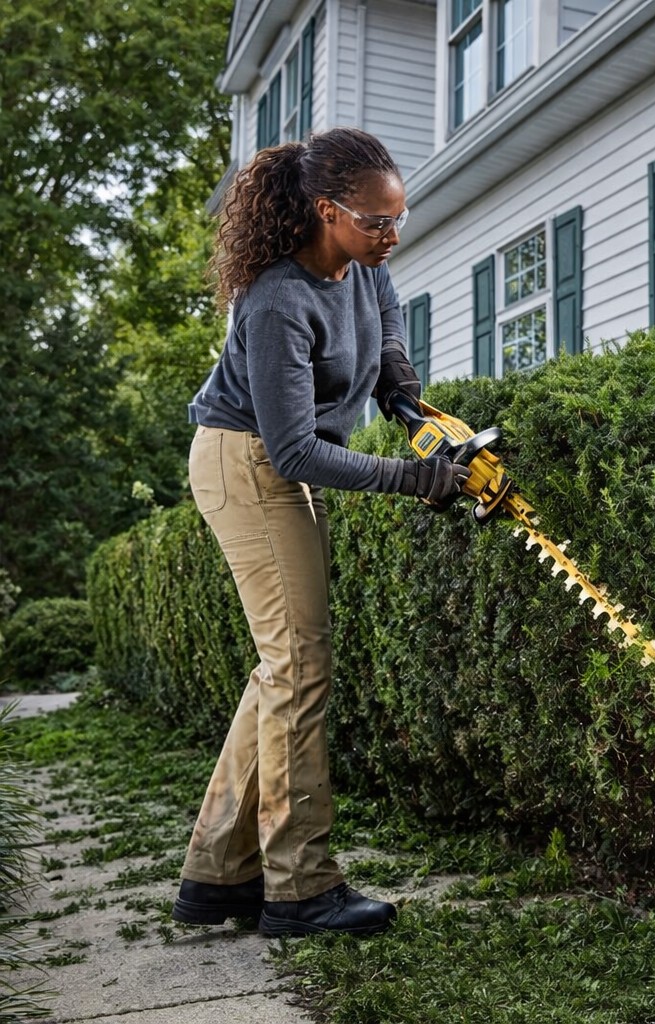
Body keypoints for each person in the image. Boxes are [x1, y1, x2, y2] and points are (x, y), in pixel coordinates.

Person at [170, 127, 469, 937]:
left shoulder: (363, 267)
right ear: (326, 212)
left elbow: (387, 327)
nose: (392, 235)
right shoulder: (275, 300)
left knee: (283, 665)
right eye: (377, 223)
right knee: (298, 664)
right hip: (246, 462)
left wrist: (403, 392)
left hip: (279, 464)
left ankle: (218, 872)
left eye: (399, 219)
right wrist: (413, 478)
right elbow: (298, 448)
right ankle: (299, 886)